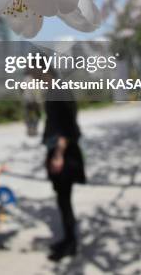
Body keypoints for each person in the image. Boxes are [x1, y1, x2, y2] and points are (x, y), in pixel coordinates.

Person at [43, 85, 86, 261]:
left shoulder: (58, 91)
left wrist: (58, 156)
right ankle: (68, 240)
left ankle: (71, 244)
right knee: (62, 200)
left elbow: (67, 127)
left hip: (64, 156)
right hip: (59, 153)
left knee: (65, 200)